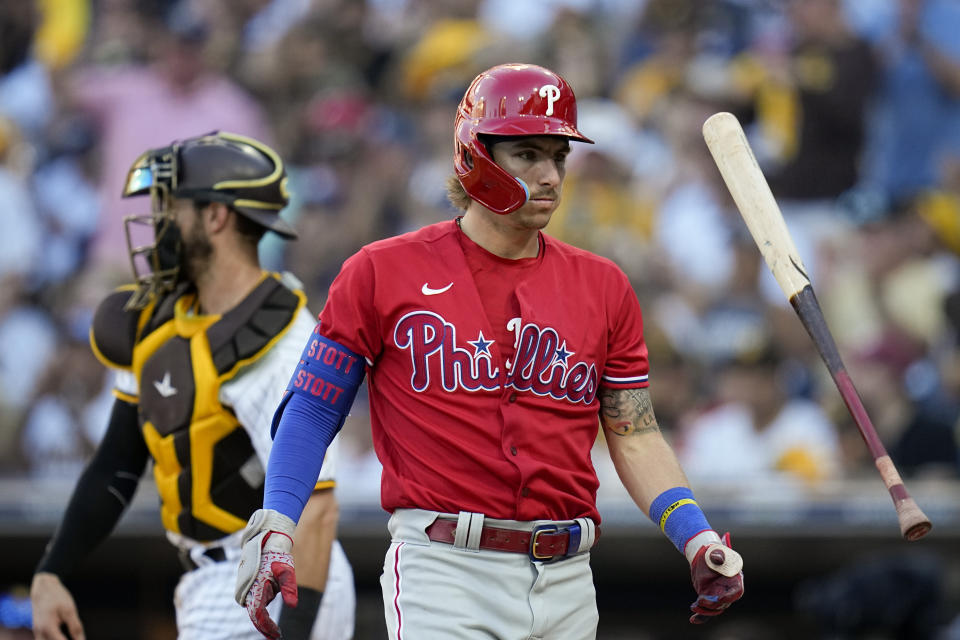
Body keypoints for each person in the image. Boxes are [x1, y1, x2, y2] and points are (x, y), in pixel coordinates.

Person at [235, 63, 744, 640]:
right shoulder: (381, 270)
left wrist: (695, 534)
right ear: (475, 155)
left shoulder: (604, 286)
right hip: (445, 568)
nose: (550, 174)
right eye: (527, 153)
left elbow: (635, 431)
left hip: (569, 576)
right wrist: (278, 520)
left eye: (558, 156)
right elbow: (313, 407)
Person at [29, 131, 355, 640]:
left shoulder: (284, 343)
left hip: (276, 577)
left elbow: (318, 509)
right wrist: (52, 571)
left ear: (215, 216)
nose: (159, 223)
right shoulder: (165, 321)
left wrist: (297, 630)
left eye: (171, 206)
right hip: (210, 579)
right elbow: (118, 460)